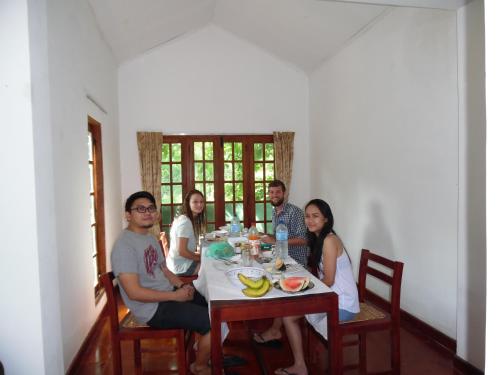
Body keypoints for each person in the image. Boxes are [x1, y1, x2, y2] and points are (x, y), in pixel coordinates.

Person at [111, 191, 211, 375]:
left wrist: (181, 285)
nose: (147, 212)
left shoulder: (149, 237)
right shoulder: (124, 246)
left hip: (167, 294)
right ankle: (200, 367)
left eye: (150, 208)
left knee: (212, 306)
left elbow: (165, 270)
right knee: (211, 321)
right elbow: (134, 293)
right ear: (128, 215)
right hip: (150, 309)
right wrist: (175, 296)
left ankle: (205, 350)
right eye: (140, 209)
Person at [274, 199, 360, 375]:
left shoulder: (329, 240)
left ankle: (301, 366)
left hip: (342, 303)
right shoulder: (318, 238)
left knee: (289, 315)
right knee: (288, 314)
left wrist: (299, 287)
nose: (310, 220)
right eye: (307, 216)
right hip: (331, 296)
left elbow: (328, 280)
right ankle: (300, 365)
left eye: (315, 216)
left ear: (326, 219)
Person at [254, 180, 309, 347]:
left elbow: (303, 239)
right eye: (271, 192)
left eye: (277, 192)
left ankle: (275, 329)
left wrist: (275, 239)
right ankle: (275, 328)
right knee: (259, 267)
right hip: (282, 258)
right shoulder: (275, 211)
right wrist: (265, 236)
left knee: (272, 282)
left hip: (296, 262)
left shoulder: (295, 212)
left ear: (284, 193)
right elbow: (278, 237)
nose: (274, 195)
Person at [166, 189, 206, 276]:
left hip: (178, 263)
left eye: (201, 202)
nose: (199, 205)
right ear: (188, 203)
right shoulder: (185, 222)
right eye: (195, 202)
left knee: (210, 259)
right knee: (213, 267)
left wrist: (200, 256)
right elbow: (182, 251)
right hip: (181, 267)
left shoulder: (185, 218)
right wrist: (200, 258)